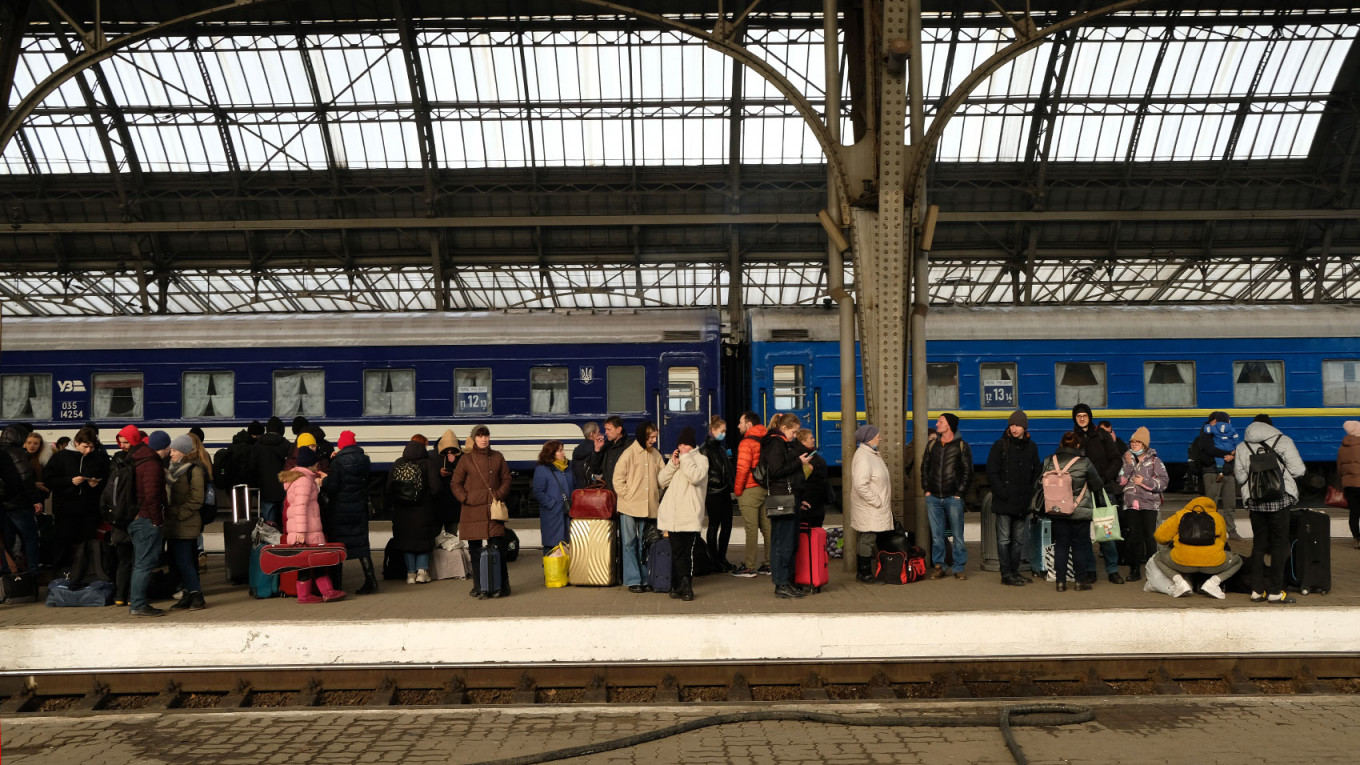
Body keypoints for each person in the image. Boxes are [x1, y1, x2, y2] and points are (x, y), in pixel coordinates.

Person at [1234, 417, 1306, 604]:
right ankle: (1275, 591)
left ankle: (1257, 591)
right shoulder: (1283, 441)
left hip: (1256, 502)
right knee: (1279, 546)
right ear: (1270, 427)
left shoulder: (1242, 447)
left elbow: (1241, 477)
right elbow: (1298, 471)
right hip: (1280, 501)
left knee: (1258, 546)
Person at [113, 424, 169, 616]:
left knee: (140, 563)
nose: (123, 447)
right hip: (146, 519)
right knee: (144, 564)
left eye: (125, 442)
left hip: (136, 518)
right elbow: (152, 494)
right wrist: (157, 520)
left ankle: (137, 603)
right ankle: (138, 604)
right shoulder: (150, 462)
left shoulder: (133, 461)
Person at [451, 425, 512, 599]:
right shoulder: (466, 460)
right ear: (474, 439)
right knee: (476, 551)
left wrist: (499, 494)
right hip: (473, 511)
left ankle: (502, 586)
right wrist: (466, 498)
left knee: (499, 549)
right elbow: (455, 483)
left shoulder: (498, 457)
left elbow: (507, 479)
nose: (483, 439)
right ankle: (480, 587)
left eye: (486, 436)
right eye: (479, 436)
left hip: (493, 511)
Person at [985, 410, 1042, 587]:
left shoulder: (1031, 447)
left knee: (1018, 540)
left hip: (1022, 502)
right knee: (1004, 539)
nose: (1014, 428)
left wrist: (1030, 492)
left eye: (1017, 425)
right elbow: (992, 472)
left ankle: (1014, 571)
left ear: (1024, 427)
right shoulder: (1000, 446)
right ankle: (1006, 573)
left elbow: (1036, 472)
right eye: (1012, 425)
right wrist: (1002, 492)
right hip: (1004, 502)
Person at [282, 446, 345, 603]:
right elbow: (301, 507)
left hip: (305, 529)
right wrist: (301, 532)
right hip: (307, 530)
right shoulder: (304, 481)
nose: (317, 465)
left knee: (308, 564)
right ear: (310, 464)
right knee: (316, 561)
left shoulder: (299, 479)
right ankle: (323, 592)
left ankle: (309, 594)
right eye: (316, 463)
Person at [43, 426, 108, 575]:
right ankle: (60, 575)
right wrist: (69, 481)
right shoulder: (60, 457)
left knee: (86, 546)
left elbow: (106, 479)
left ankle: (86, 575)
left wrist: (96, 484)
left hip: (89, 511)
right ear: (77, 442)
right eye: (85, 446)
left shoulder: (97, 459)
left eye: (92, 447)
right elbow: (49, 480)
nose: (88, 451)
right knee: (63, 545)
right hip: (66, 509)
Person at [1149, 496, 1242, 599]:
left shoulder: (1181, 514)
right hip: (1212, 564)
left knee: (1158, 557)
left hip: (1181, 562)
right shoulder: (1217, 517)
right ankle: (1214, 582)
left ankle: (1179, 582)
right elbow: (1223, 541)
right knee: (1237, 560)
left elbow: (1160, 536)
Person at [1071, 404, 1124, 584]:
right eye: (1079, 416)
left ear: (1090, 416)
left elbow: (1116, 459)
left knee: (1106, 531)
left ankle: (1112, 570)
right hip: (1081, 492)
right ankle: (1090, 570)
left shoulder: (1102, 435)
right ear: (1074, 418)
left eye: (1085, 415)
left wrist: (1104, 477)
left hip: (1102, 489)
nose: (1082, 418)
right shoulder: (1072, 437)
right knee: (1083, 533)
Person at [1044, 431, 1103, 592]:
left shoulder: (1050, 460)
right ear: (1078, 445)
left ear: (1061, 444)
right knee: (1079, 546)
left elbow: (1040, 482)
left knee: (1061, 545)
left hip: (1057, 510)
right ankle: (1080, 582)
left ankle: (1060, 583)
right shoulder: (1084, 462)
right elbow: (1097, 484)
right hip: (1079, 510)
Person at [760, 413, 810, 599]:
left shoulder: (782, 443)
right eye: (794, 432)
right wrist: (799, 462)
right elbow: (776, 470)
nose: (795, 436)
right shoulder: (776, 443)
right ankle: (781, 583)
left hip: (789, 497)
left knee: (789, 543)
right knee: (783, 543)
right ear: (784, 428)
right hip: (782, 498)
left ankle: (787, 581)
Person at [320, 430, 376, 594]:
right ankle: (371, 582)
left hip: (340, 510)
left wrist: (324, 479)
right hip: (358, 508)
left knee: (339, 546)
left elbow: (332, 487)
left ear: (342, 444)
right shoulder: (364, 460)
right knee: (362, 545)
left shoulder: (337, 462)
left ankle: (337, 585)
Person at [613, 421, 665, 593]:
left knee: (644, 544)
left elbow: (662, 478)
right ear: (643, 436)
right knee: (629, 543)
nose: (654, 440)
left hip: (648, 507)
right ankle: (633, 580)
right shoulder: (629, 453)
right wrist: (629, 497)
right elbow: (618, 479)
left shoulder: (655, 454)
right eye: (651, 437)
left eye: (655, 437)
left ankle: (644, 578)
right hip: (629, 506)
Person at [657, 427, 708, 601]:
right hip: (672, 515)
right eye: (680, 444)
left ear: (692, 446)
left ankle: (687, 585)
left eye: (685, 444)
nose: (682, 447)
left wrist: (686, 459)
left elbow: (695, 477)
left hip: (690, 514)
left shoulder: (701, 460)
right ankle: (680, 586)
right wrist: (673, 464)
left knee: (687, 552)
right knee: (677, 551)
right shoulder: (679, 461)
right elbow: (662, 480)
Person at [923, 413, 973, 581]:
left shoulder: (961, 446)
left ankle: (958, 567)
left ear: (949, 425)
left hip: (953, 497)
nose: (937, 424)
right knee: (937, 536)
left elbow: (968, 471)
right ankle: (940, 567)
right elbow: (925, 467)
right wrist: (927, 489)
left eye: (940, 422)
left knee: (958, 535)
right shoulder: (932, 445)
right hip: (934, 497)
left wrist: (960, 492)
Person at [1118, 426, 1168, 582]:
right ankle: (1134, 570)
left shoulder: (1154, 461)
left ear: (1144, 444)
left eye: (1137, 442)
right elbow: (1120, 481)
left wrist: (1144, 482)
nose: (1134, 445)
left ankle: (1153, 571)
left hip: (1149, 505)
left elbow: (1164, 482)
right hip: (1131, 504)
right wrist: (1127, 467)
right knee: (1134, 538)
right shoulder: (1126, 459)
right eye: (1132, 442)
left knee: (1149, 538)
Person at [165, 434, 209, 611]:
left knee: (185, 561)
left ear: (183, 451)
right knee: (177, 562)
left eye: (174, 450)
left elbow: (197, 498)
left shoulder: (194, 470)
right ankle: (187, 594)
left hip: (186, 522)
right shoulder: (173, 469)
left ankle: (197, 595)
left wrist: (178, 513)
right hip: (174, 524)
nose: (171, 454)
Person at [387, 440, 440, 585]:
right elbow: (435, 488)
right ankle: (422, 572)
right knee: (422, 539)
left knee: (406, 541)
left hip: (402, 512)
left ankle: (410, 573)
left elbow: (389, 487)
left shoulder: (398, 463)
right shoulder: (428, 464)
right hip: (423, 510)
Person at [0, 424, 46, 582]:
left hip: (3, 504)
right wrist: (35, 500)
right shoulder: (18, 453)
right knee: (30, 538)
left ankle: (8, 576)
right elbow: (25, 478)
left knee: (7, 541)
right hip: (19, 504)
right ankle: (32, 573)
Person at [849, 424, 891, 584]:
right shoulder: (864, 457)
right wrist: (877, 501)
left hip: (872, 508)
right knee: (867, 539)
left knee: (868, 538)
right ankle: (864, 573)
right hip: (870, 507)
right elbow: (861, 484)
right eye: (877, 435)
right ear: (870, 438)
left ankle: (865, 572)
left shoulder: (871, 455)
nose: (880, 438)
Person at [732, 411, 771, 577]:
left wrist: (738, 490)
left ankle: (749, 566)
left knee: (751, 528)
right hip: (764, 487)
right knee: (767, 527)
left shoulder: (746, 442)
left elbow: (742, 468)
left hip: (749, 488)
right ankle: (769, 564)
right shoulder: (767, 438)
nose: (738, 426)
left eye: (740, 422)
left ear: (749, 424)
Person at [1192, 412, 1243, 541]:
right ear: (1214, 421)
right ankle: (1208, 531)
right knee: (1210, 503)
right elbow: (1209, 450)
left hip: (1227, 472)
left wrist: (1233, 454)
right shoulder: (1205, 435)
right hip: (1212, 472)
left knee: (1230, 503)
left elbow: (1238, 447)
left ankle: (1231, 530)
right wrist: (1228, 454)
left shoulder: (1226, 434)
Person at [698, 417, 734, 572]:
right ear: (713, 431)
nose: (724, 434)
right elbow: (704, 473)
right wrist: (720, 480)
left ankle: (721, 557)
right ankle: (714, 558)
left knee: (727, 526)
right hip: (713, 492)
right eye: (722, 431)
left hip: (724, 491)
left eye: (725, 431)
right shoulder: (705, 449)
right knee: (714, 525)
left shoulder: (719, 447)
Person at [531, 440, 575, 552]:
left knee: (567, 545)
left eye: (562, 450)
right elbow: (538, 492)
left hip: (567, 513)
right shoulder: (542, 469)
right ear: (551, 453)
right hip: (552, 515)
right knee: (552, 547)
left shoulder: (568, 468)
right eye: (560, 451)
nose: (563, 453)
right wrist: (553, 504)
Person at [253, 416, 291, 524]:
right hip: (283, 487)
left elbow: (253, 466)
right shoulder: (286, 444)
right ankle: (285, 539)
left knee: (269, 523)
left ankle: (270, 540)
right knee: (286, 520)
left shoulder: (257, 445)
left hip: (265, 488)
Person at [793, 428, 829, 529]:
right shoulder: (803, 456)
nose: (814, 440)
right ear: (803, 441)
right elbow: (801, 479)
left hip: (815, 501)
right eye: (811, 438)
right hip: (808, 502)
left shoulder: (810, 454)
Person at [585, 416, 630, 491]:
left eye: (609, 429)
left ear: (619, 429)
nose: (606, 432)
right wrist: (597, 450)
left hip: (624, 492)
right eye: (606, 429)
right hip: (609, 493)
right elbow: (596, 470)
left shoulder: (629, 446)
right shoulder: (606, 446)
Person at [432, 430, 463, 534]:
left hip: (451, 504)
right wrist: (438, 473)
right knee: (446, 535)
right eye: (447, 449)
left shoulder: (462, 457)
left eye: (452, 449)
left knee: (449, 536)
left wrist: (455, 463)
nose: (449, 451)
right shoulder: (432, 456)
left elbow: (467, 474)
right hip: (440, 503)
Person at [1340, 421, 1360, 549]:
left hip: (1348, 485)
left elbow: (1339, 469)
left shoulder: (1342, 448)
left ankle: (1357, 540)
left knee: (1354, 513)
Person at [571, 422, 599, 486]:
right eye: (598, 432)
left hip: (580, 487)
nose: (599, 434)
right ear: (592, 434)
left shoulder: (577, 449)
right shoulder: (596, 449)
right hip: (593, 487)